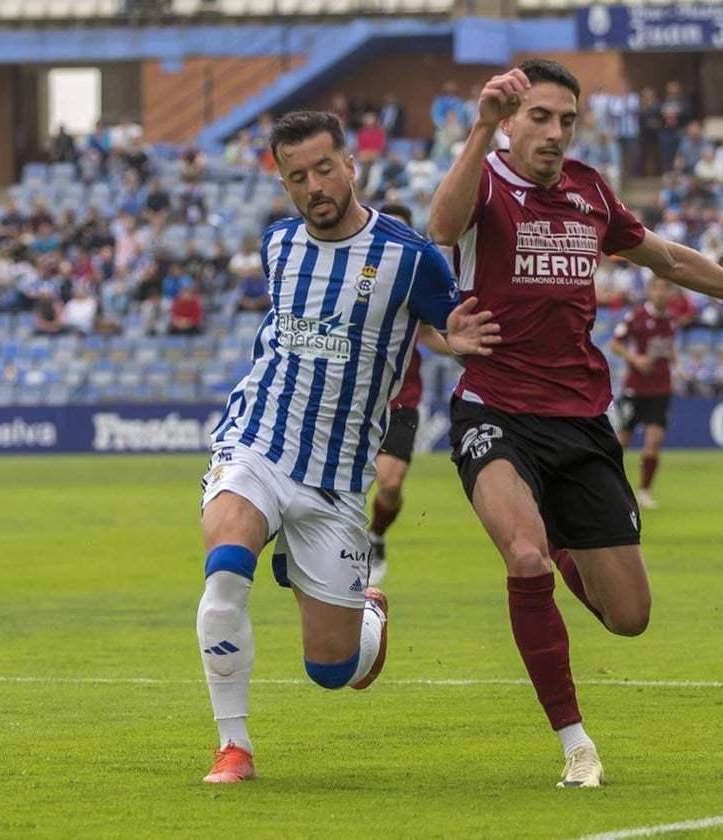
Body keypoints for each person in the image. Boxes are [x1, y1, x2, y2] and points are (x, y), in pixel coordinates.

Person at [427, 59, 723, 788]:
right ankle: (576, 744)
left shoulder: (589, 191)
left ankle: (562, 545)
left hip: (581, 421)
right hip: (496, 409)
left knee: (630, 617)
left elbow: (668, 259)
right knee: (523, 557)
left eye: (566, 120)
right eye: (540, 117)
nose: (553, 133)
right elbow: (441, 226)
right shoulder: (485, 179)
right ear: (512, 123)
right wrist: (478, 125)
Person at [195, 110, 499, 785]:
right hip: (257, 442)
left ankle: (366, 613)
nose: (314, 186)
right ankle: (233, 748)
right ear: (283, 183)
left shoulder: (406, 254)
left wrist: (460, 337)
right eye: (296, 176)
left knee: (334, 671)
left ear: (351, 165)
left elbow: (447, 320)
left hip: (336, 480)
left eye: (324, 168)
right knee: (225, 573)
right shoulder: (278, 245)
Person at [365, 202, 454, 587]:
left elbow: (431, 336)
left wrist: (474, 352)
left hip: (402, 399)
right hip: (357, 398)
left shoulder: (415, 278)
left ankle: (375, 535)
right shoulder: (358, 276)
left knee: (389, 484)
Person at [608, 275, 676, 510]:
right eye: (656, 288)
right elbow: (615, 344)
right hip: (635, 387)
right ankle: (607, 486)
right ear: (649, 291)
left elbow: (668, 346)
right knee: (621, 441)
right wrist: (635, 359)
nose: (660, 293)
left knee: (654, 441)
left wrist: (674, 359)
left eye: (664, 288)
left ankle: (644, 491)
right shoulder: (636, 316)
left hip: (661, 387)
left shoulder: (669, 319)